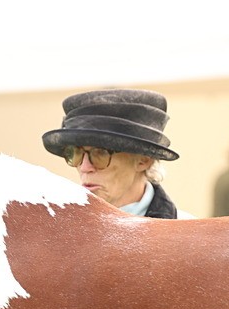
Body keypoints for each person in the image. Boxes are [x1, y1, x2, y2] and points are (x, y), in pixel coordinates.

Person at [42, 88, 188, 219]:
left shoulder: (186, 237)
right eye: (76, 153)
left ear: (144, 160)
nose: (85, 167)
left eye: (100, 153)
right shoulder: (60, 231)